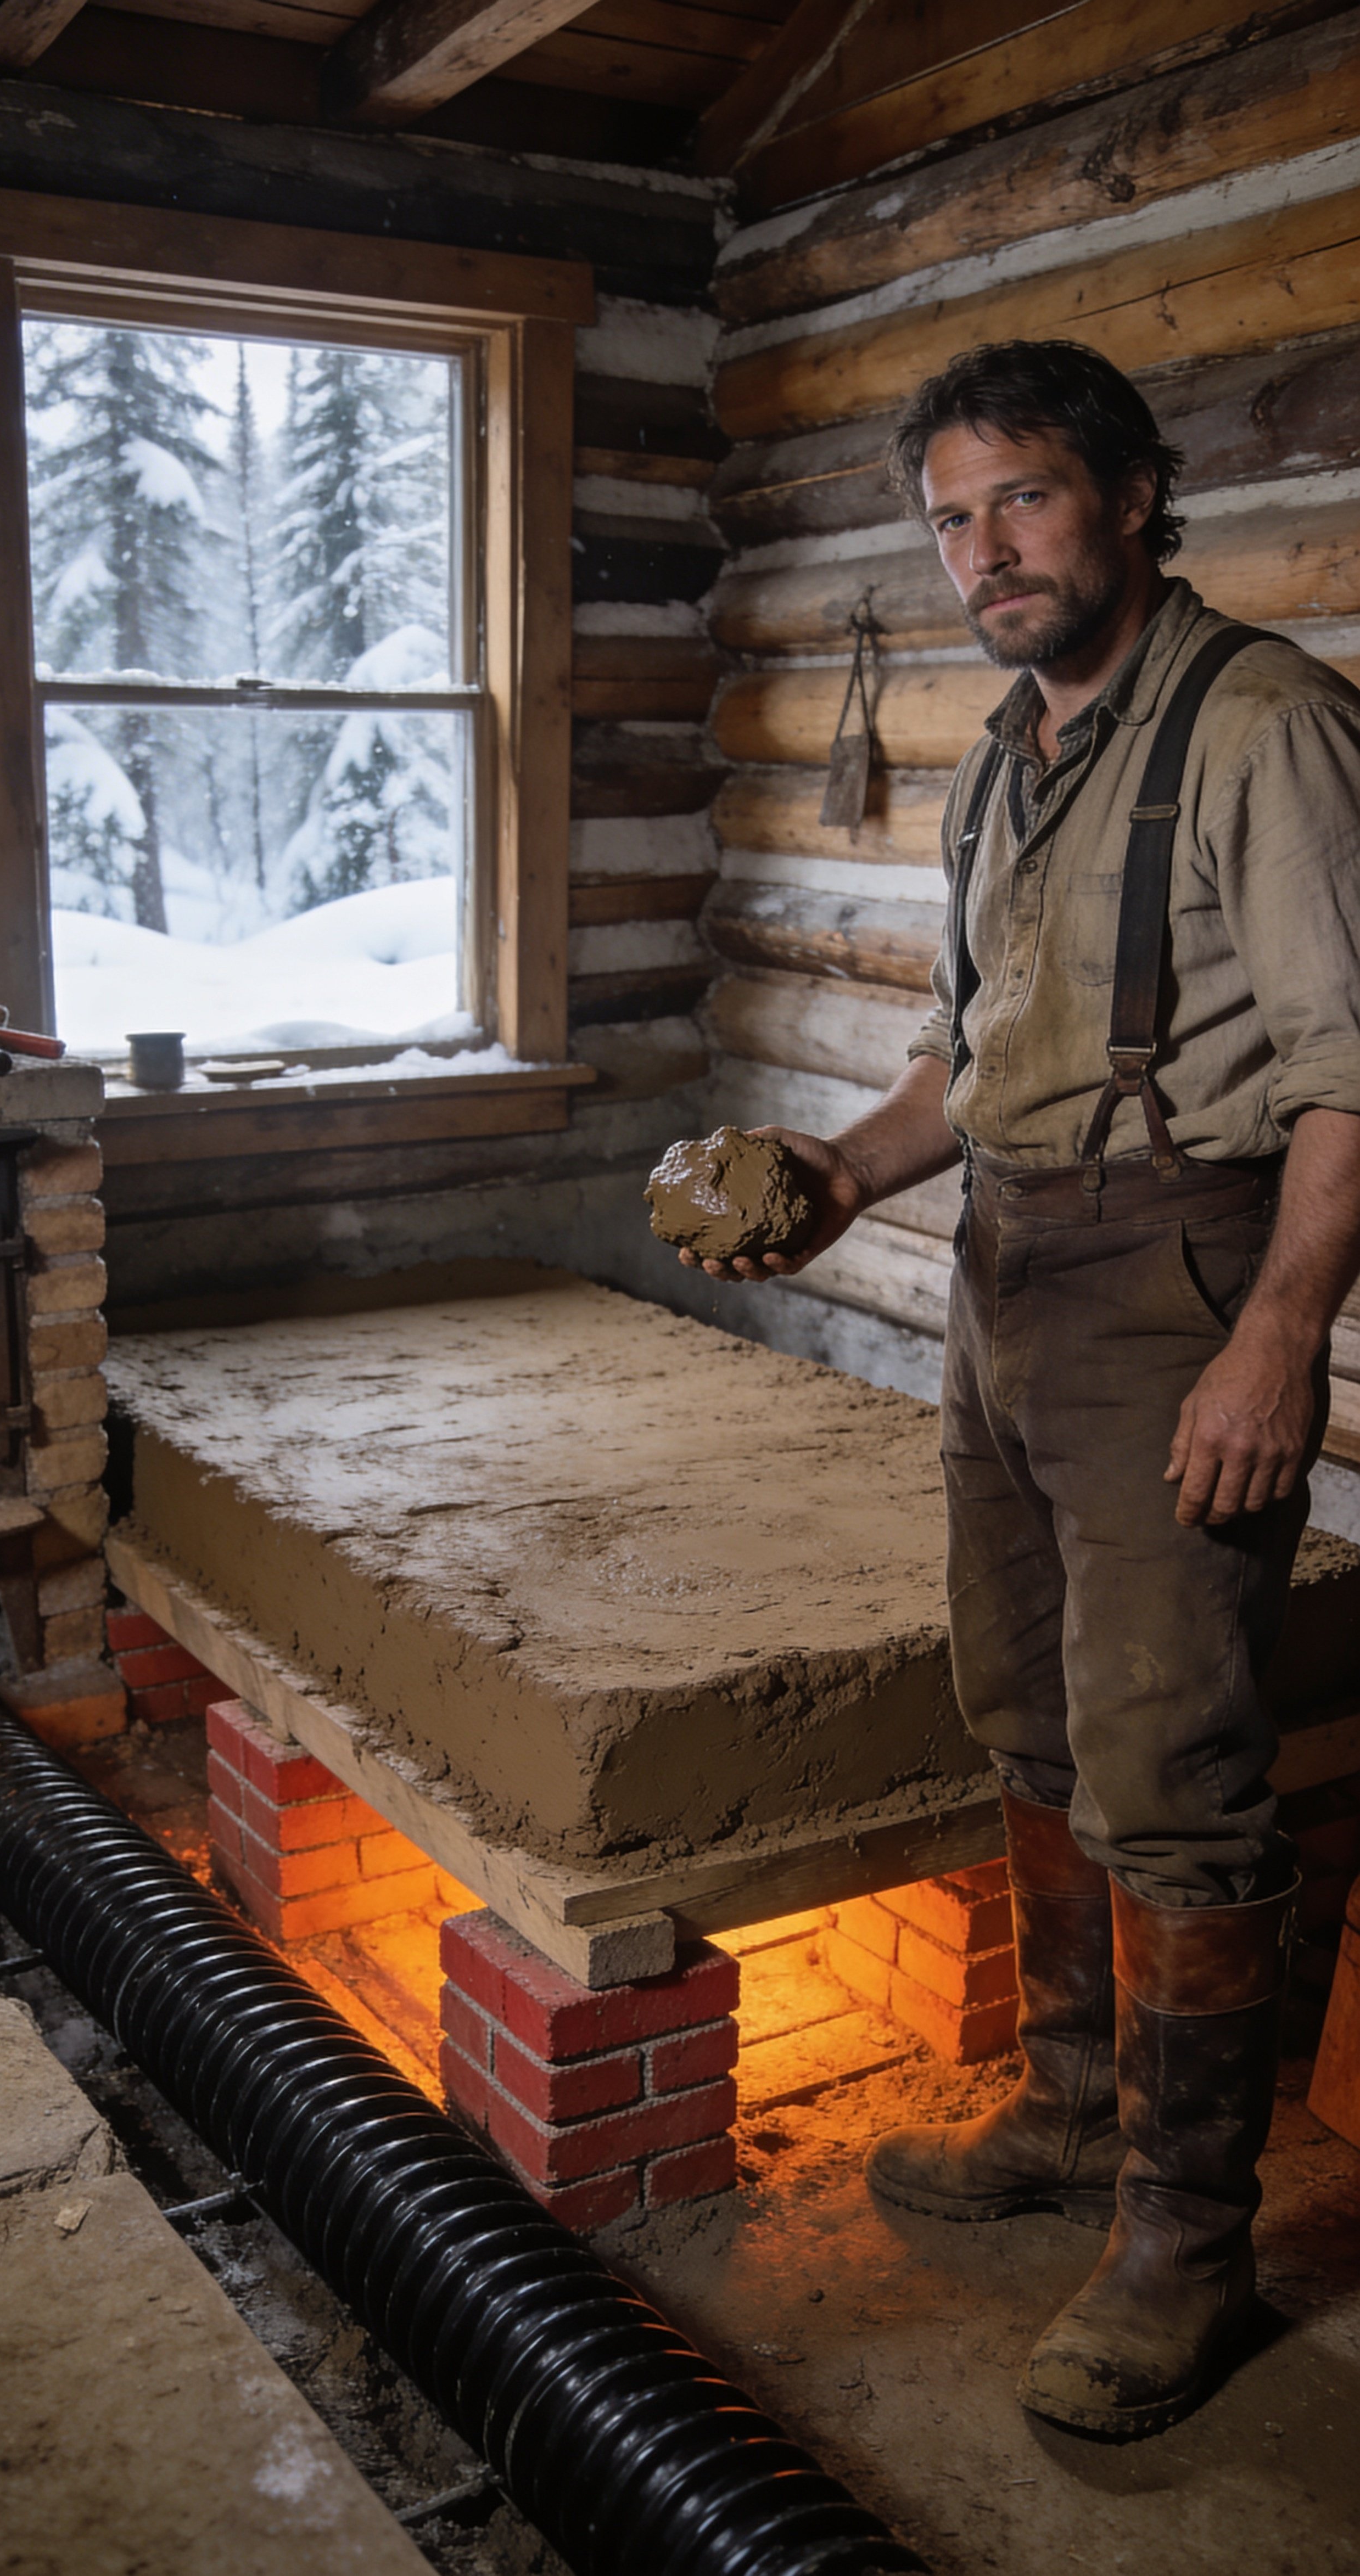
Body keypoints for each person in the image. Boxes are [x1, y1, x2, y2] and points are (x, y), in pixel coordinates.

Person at [686, 339, 1360, 2440]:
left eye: (1025, 502)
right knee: (1031, 1714)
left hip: (1182, 1281)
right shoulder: (1006, 754)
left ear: (1137, 497)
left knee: (1171, 1759)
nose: (986, 550)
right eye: (952, 517)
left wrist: (1278, 1338)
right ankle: (1075, 2110)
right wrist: (830, 1182)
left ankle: (1187, 2233)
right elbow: (959, 1076)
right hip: (1006, 1281)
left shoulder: (1266, 725)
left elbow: (1355, 1078)